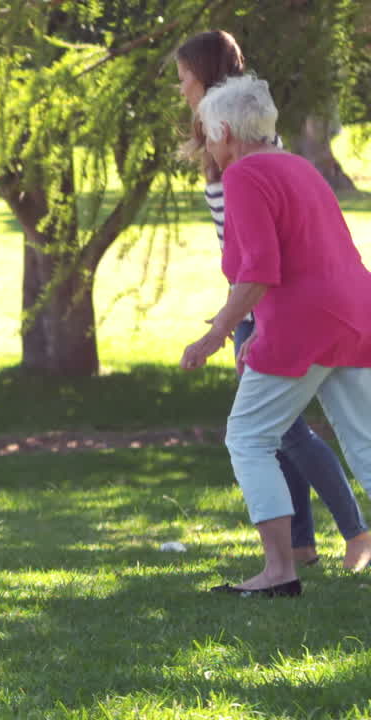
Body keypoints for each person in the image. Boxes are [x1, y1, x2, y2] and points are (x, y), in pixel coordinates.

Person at [175, 30, 371, 572]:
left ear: (227, 131)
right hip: (357, 315)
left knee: (249, 438)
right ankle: (313, 549)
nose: (209, 145)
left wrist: (216, 333)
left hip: (302, 324)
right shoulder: (302, 167)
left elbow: (259, 269)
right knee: (367, 446)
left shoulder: (243, 175)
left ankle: (279, 571)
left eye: (212, 137)